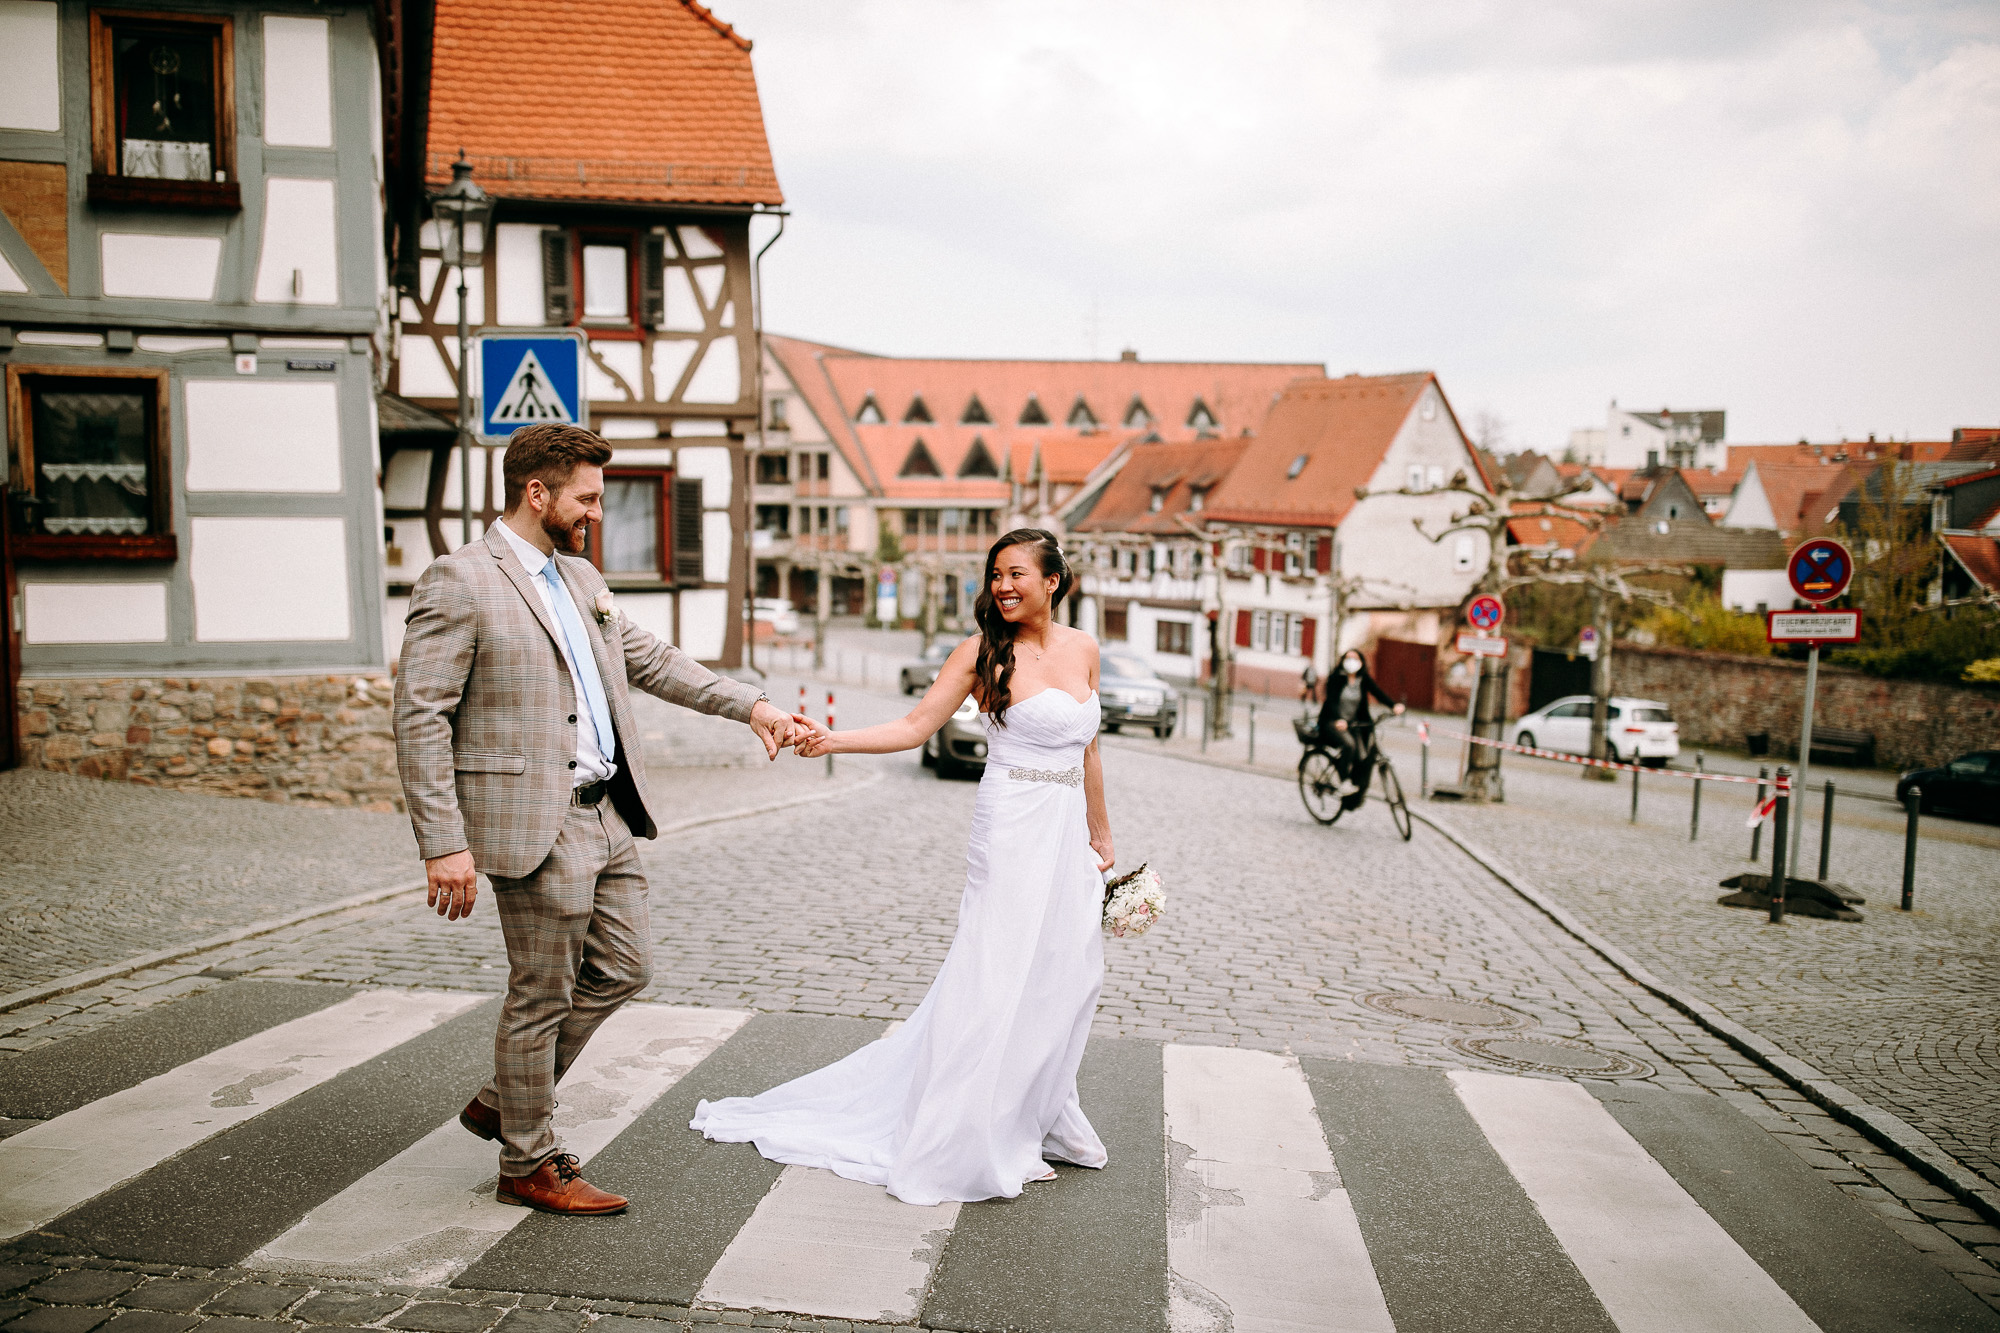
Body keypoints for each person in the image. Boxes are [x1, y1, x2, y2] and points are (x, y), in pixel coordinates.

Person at [393, 422, 807, 1217]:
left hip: (607, 811)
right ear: (536, 492)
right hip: (533, 822)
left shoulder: (580, 578)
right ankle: (527, 1160)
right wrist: (443, 842)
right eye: (585, 498)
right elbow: (419, 716)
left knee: (625, 965)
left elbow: (652, 661)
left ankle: (505, 1096)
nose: (596, 512)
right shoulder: (460, 580)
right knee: (540, 994)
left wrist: (751, 705)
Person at [690, 529, 1115, 1206]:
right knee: (996, 971)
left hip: (1066, 831)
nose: (1003, 586)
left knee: (1064, 970)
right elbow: (916, 726)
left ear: (1052, 581)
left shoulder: (1085, 648)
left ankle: (1035, 1111)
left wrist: (1100, 830)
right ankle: (970, 1129)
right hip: (1012, 825)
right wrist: (834, 739)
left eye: (1016, 574)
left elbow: (1088, 748)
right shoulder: (980, 652)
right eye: (996, 575)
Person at [1318, 649, 1404, 809]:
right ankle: (1344, 781)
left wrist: (1393, 705)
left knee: (1362, 755)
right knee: (1349, 745)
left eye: (1355, 658)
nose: (1351, 661)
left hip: (1353, 724)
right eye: (1348, 658)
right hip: (1332, 722)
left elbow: (1377, 692)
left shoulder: (1363, 679)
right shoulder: (1336, 678)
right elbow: (1331, 701)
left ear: (1361, 662)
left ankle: (1354, 793)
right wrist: (1338, 719)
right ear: (1343, 660)